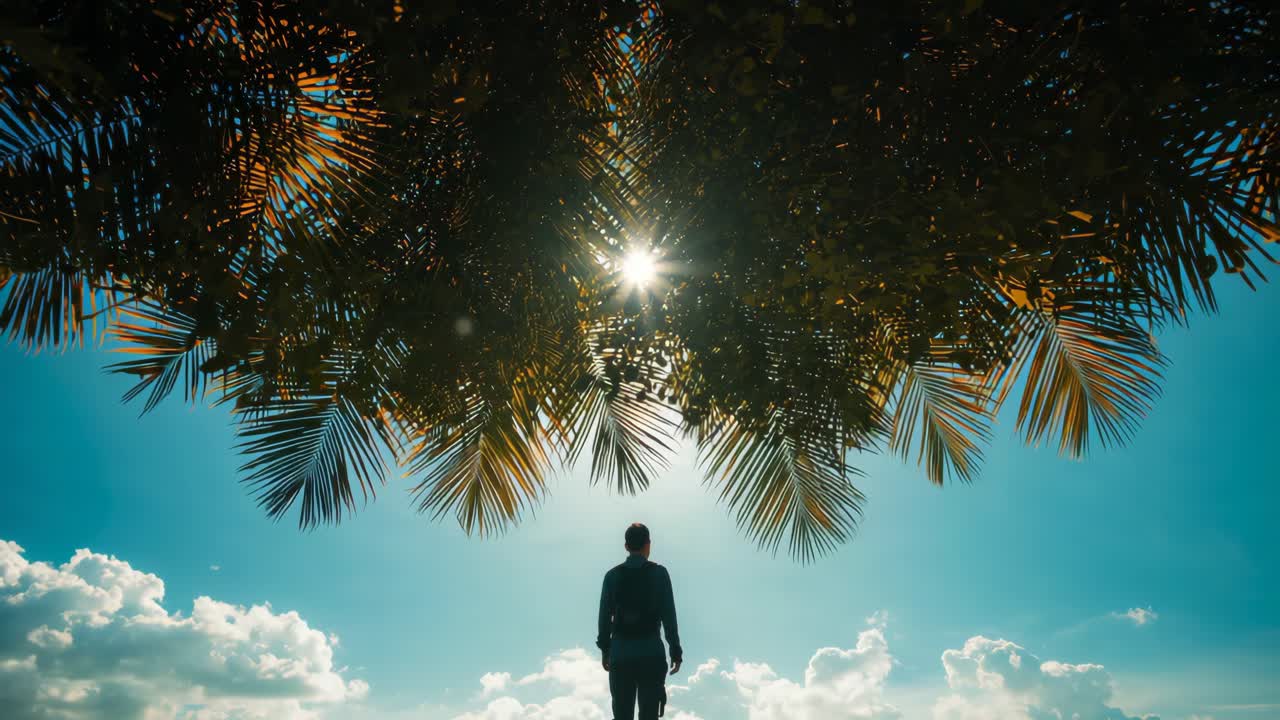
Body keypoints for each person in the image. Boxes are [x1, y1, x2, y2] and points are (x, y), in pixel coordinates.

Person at [597, 523, 683, 720]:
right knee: (649, 715)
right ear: (648, 544)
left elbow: (604, 618)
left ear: (626, 546)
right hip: (651, 654)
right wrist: (675, 650)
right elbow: (669, 615)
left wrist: (605, 650)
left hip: (621, 654)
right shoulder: (659, 573)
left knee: (622, 716)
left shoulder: (612, 576)